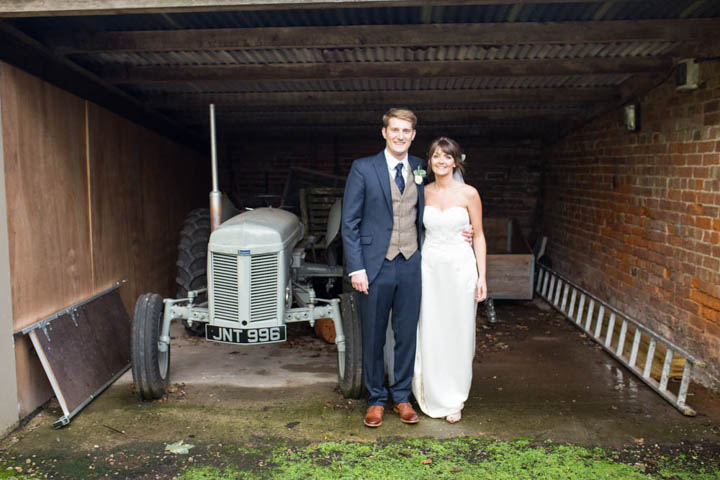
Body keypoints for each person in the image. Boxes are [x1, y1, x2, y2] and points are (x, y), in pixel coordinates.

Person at [341, 108, 425, 428]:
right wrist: (356, 268)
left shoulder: (420, 167)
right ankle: (376, 399)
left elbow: (433, 208)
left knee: (406, 335)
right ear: (384, 132)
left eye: (406, 131)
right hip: (374, 267)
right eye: (395, 130)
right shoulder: (363, 168)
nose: (400, 135)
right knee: (374, 335)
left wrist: (463, 227)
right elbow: (350, 223)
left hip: (411, 264)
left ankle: (401, 396)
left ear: (413, 135)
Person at [411, 136, 487, 424]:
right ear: (429, 162)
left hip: (460, 268)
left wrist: (482, 276)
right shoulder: (422, 192)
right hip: (429, 268)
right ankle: (428, 391)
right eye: (435, 156)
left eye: (447, 156)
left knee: (459, 330)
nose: (441, 161)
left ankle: (455, 397)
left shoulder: (469, 194)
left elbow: (478, 234)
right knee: (429, 329)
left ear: (456, 161)